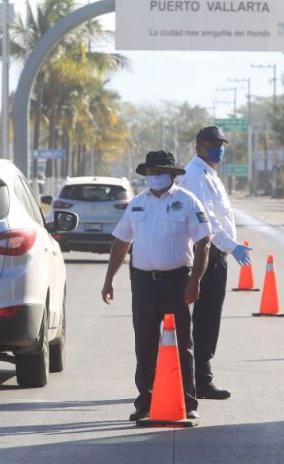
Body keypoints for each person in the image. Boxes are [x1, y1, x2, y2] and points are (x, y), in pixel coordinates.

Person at [102, 150, 212, 422]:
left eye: (159, 171)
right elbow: (121, 242)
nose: (154, 176)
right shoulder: (138, 204)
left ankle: (187, 401)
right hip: (143, 284)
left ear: (172, 174)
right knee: (145, 344)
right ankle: (146, 401)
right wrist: (109, 279)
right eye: (150, 172)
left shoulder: (188, 201)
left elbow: (203, 243)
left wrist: (194, 282)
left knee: (182, 344)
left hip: (177, 282)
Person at [177, 125, 253, 400]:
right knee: (203, 319)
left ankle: (196, 377)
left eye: (221, 144)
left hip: (215, 253)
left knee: (208, 319)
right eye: (213, 144)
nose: (219, 148)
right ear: (199, 147)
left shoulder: (210, 175)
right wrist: (232, 246)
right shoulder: (196, 175)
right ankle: (199, 380)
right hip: (204, 254)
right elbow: (206, 221)